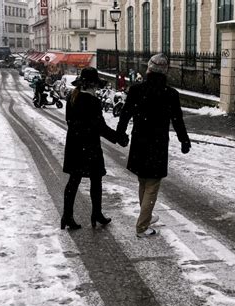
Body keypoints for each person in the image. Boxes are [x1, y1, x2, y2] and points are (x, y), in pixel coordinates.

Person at [116, 53, 191, 238]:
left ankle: (146, 216)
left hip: (140, 141)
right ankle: (142, 226)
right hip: (157, 144)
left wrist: (120, 133)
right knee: (152, 184)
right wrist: (184, 140)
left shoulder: (136, 90)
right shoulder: (170, 94)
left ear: (148, 69)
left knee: (143, 180)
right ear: (165, 72)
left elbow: (125, 113)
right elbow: (177, 120)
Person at [62, 67, 120, 230]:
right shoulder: (92, 101)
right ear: (92, 84)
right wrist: (118, 138)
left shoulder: (71, 97)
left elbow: (70, 120)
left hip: (74, 145)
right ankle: (96, 213)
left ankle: (67, 215)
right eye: (96, 85)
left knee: (73, 181)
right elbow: (100, 126)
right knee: (96, 181)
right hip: (90, 146)